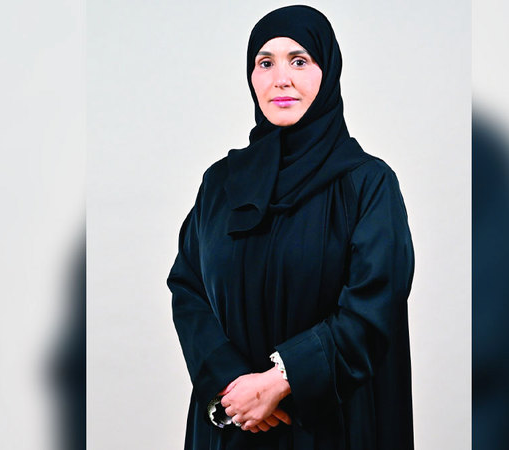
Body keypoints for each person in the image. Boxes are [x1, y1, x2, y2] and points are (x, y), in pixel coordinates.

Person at [168, 5, 415, 449]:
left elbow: (375, 307)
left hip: (330, 427)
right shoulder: (220, 184)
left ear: (328, 71)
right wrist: (233, 385)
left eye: (299, 61)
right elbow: (188, 288)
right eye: (265, 63)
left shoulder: (368, 184)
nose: (280, 79)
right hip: (236, 420)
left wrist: (281, 380)